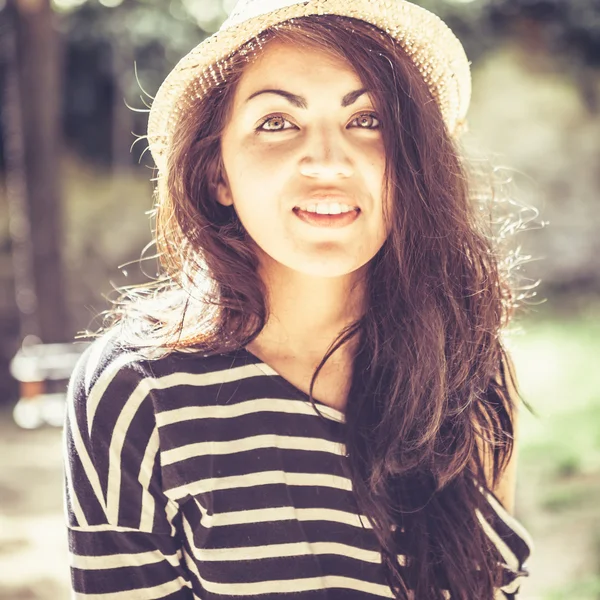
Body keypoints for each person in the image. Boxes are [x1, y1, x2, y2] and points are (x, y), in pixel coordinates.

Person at [62, 0, 535, 598]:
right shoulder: (136, 392)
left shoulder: (474, 373)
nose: (328, 161)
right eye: (277, 122)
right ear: (218, 175)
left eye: (367, 119)